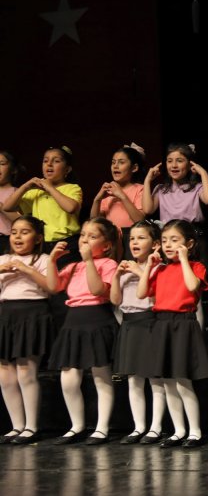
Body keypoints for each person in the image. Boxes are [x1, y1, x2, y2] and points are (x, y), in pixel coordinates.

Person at [137, 219, 208, 448]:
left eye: (174, 240)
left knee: (182, 381)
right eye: (164, 241)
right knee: (168, 382)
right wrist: (149, 267)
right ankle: (179, 430)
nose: (168, 245)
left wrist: (184, 260)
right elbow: (141, 293)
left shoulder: (196, 267)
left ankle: (195, 431)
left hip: (183, 324)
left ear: (189, 244)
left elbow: (192, 286)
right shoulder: (160, 269)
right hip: (162, 324)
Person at [46, 217, 121, 445]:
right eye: (82, 235)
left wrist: (89, 261)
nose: (85, 240)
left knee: (101, 376)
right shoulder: (73, 266)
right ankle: (76, 425)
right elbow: (53, 286)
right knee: (68, 378)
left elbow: (98, 290)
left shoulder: (108, 264)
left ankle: (101, 427)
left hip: (97, 319)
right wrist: (52, 261)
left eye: (92, 236)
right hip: (73, 323)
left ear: (106, 245)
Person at [109, 219, 167, 445]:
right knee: (134, 379)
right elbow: (115, 300)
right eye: (132, 238)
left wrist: (140, 271)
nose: (134, 242)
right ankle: (138, 426)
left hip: (150, 322)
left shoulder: (159, 267)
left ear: (155, 244)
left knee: (155, 378)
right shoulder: (125, 268)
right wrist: (116, 276)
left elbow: (159, 295)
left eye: (141, 238)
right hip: (130, 324)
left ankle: (156, 427)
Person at [0, 216, 51, 444]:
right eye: (14, 232)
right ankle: (16, 426)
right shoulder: (3, 259)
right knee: (5, 374)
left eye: (24, 232)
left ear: (38, 238)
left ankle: (31, 427)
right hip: (7, 315)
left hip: (33, 314)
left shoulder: (43, 259)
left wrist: (25, 269)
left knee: (25, 371)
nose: (18, 237)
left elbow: (51, 286)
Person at [4, 146, 82, 264]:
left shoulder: (72, 188)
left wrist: (49, 187)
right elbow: (7, 207)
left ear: (67, 169)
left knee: (65, 273)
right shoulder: (36, 192)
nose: (49, 164)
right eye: (45, 161)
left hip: (67, 242)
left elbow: (70, 207)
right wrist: (25, 186)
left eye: (56, 161)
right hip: (42, 244)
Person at [142, 143, 208, 268]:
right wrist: (147, 180)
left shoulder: (197, 188)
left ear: (190, 164)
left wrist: (203, 173)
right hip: (170, 242)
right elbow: (147, 209)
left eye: (179, 161)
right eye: (170, 161)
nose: (174, 165)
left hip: (192, 241)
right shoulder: (161, 189)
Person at [90, 143, 147, 257]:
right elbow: (95, 221)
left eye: (121, 162)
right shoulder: (108, 192)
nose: (115, 166)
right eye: (113, 162)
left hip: (131, 238)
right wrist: (97, 200)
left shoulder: (140, 189)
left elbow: (139, 220)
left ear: (134, 168)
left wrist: (122, 196)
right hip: (112, 240)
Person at [0, 151, 21, 254]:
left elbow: (21, 220)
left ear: (13, 170)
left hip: (6, 241)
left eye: (2, 164)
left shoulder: (17, 192)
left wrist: (1, 207)